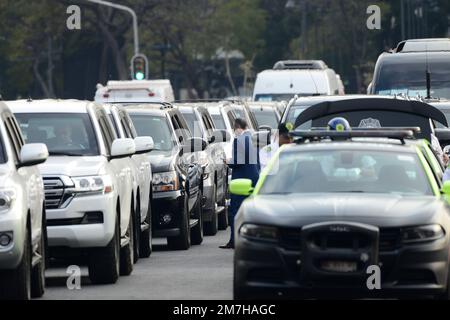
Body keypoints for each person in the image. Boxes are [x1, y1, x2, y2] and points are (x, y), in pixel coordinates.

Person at [220, 118, 259, 249]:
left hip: (241, 180)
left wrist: (227, 161)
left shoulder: (238, 140)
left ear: (236, 127)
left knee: (235, 210)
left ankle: (234, 240)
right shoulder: (254, 138)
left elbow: (237, 161)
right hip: (254, 178)